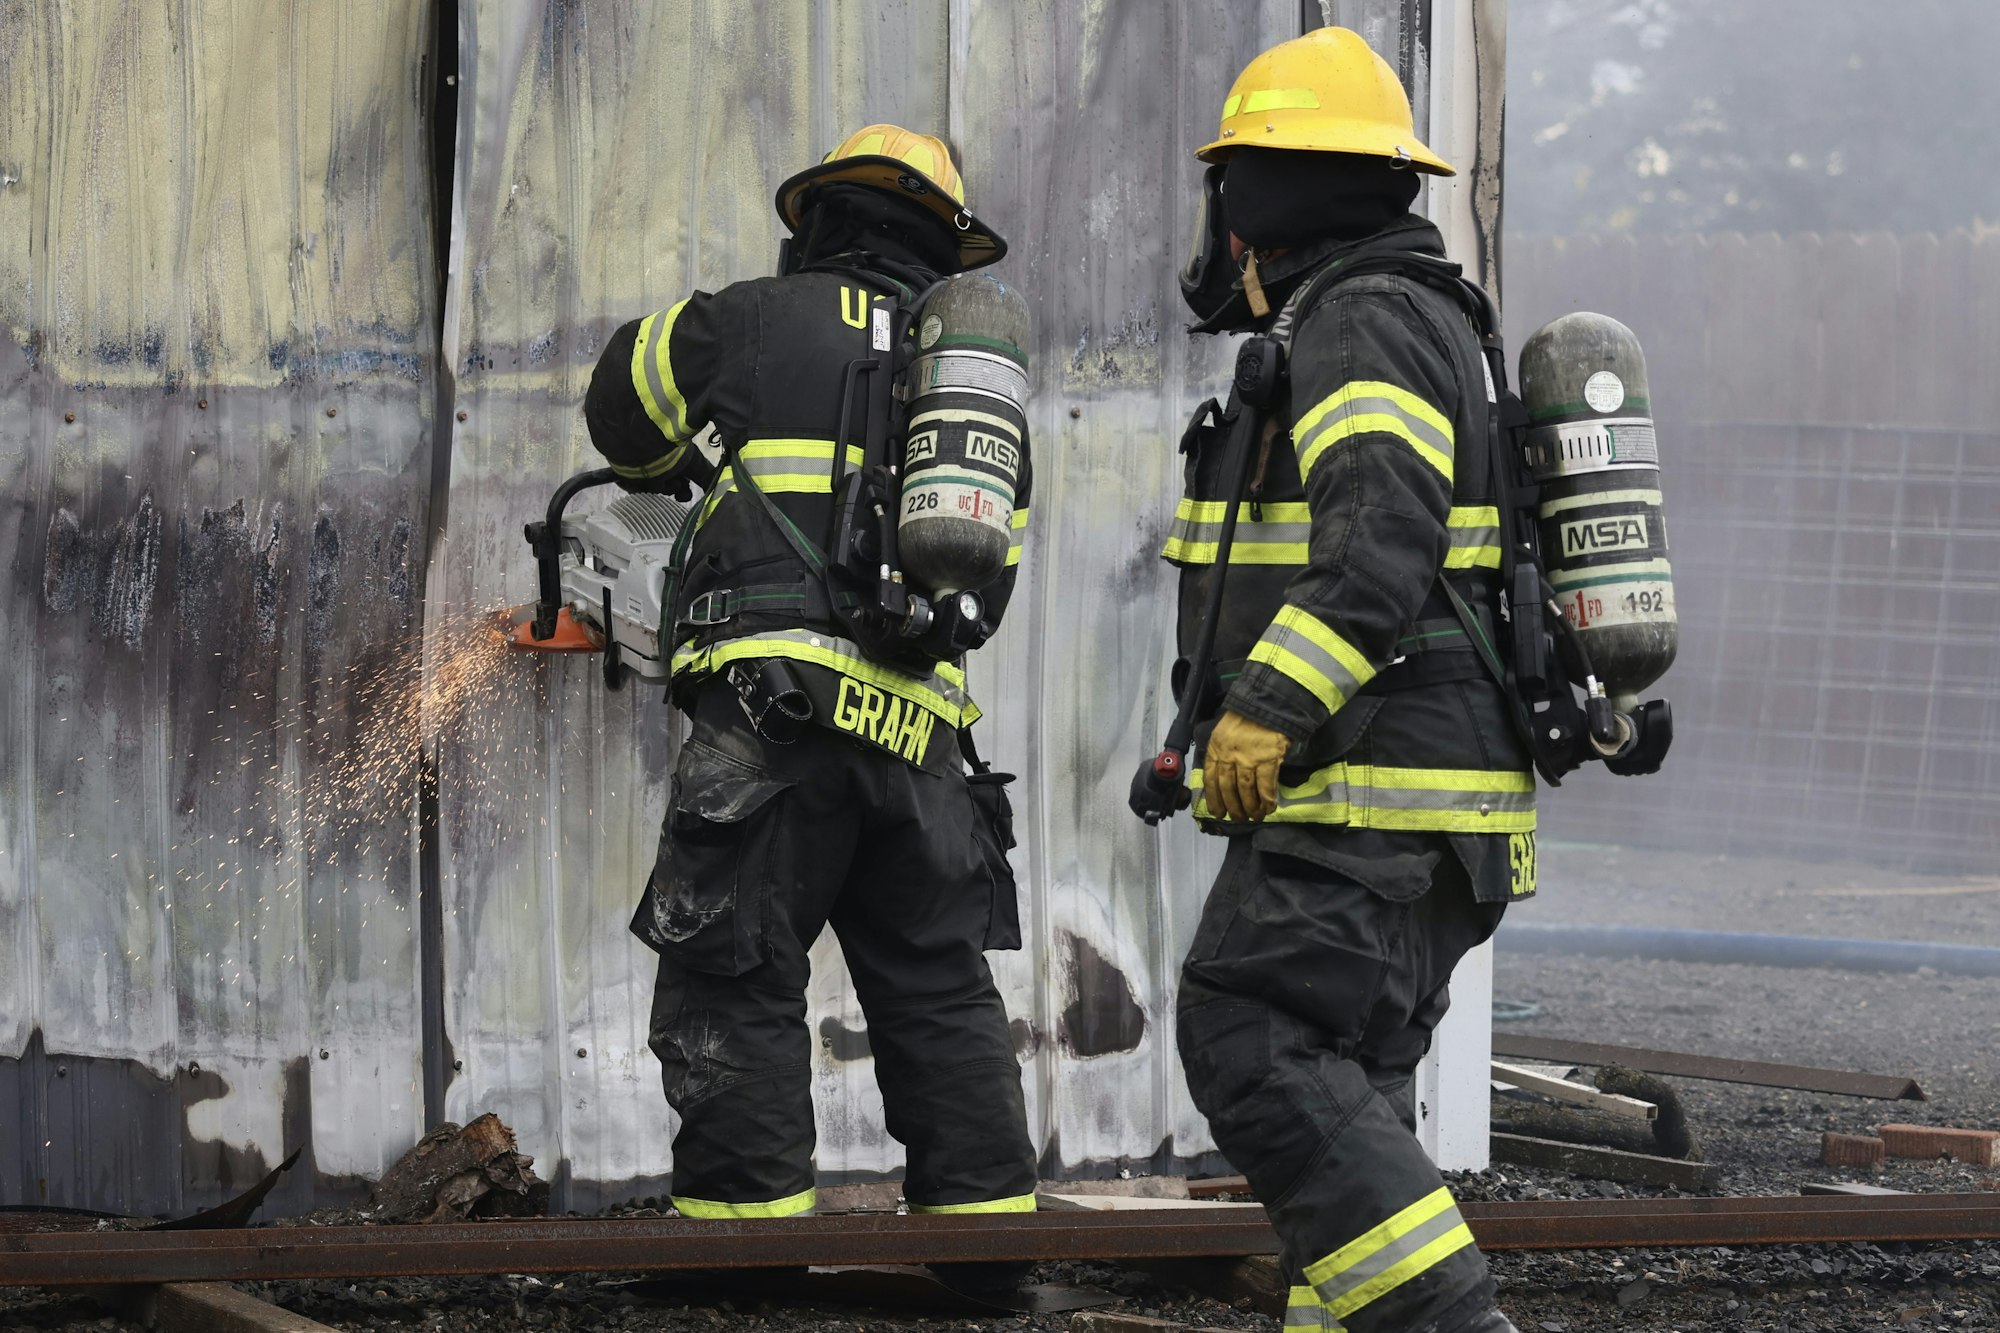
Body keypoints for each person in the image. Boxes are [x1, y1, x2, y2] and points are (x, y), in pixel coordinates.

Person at [581, 126, 1038, 1232]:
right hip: (924, 744)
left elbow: (621, 407)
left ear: (819, 221)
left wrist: (678, 473)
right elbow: (988, 577)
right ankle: (987, 1253)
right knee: (938, 992)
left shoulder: (751, 318)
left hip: (768, 724)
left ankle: (747, 1259)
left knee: (732, 982)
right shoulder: (971, 389)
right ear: (944, 248)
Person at [1162, 29, 1531, 1333]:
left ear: (1259, 200)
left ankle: (1451, 1322)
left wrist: (1265, 706)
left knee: (1249, 1028)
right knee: (1350, 1091)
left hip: (1375, 783)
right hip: (1436, 799)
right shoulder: (1420, 313)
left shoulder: (1364, 322)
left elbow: (1379, 550)